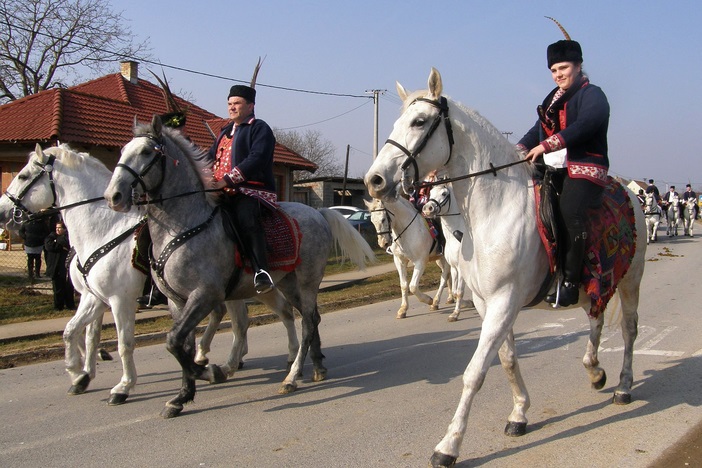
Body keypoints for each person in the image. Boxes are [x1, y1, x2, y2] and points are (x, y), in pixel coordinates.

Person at [518, 24, 610, 307]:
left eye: (564, 68)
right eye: (554, 70)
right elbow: (537, 130)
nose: (559, 74)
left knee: (570, 209)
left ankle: (570, 280)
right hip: (551, 169)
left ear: (578, 66)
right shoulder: (552, 100)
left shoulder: (592, 94)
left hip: (584, 167)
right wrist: (519, 148)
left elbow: (586, 125)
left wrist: (547, 145)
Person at [208, 84, 276, 294]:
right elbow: (209, 157)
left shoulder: (260, 128)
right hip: (221, 191)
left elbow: (257, 158)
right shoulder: (224, 132)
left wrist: (227, 180)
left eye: (237, 103)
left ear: (250, 106)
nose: (232, 107)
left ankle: (261, 271)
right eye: (229, 103)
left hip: (251, 190)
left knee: (246, 218)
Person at [44, 221, 76, 310]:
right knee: (57, 288)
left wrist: (57, 241)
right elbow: (49, 246)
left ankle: (70, 305)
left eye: (60, 228)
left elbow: (66, 242)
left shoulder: (68, 236)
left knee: (69, 287)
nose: (57, 230)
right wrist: (61, 246)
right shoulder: (51, 236)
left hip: (66, 266)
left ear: (65, 229)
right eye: (56, 228)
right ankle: (58, 306)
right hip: (55, 267)